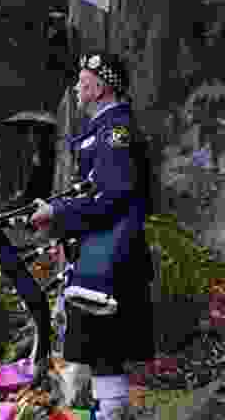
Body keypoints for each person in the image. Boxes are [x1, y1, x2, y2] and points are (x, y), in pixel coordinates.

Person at [30, 52, 155, 420]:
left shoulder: (116, 131)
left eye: (83, 81)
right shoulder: (102, 128)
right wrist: (59, 214)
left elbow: (113, 196)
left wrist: (58, 213)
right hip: (99, 251)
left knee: (105, 345)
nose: (76, 87)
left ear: (100, 87)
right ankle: (107, 412)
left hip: (112, 254)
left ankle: (111, 413)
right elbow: (92, 192)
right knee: (99, 346)